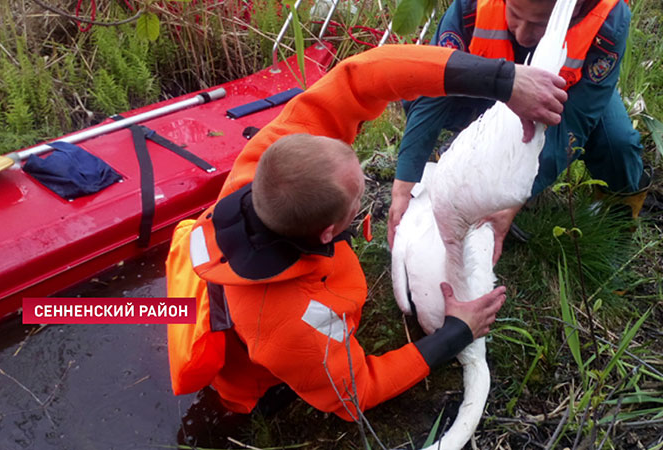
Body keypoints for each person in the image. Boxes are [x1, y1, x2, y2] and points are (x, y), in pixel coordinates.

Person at [165, 44, 564, 421]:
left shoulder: (274, 159)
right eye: (358, 200)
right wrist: (456, 334)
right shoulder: (288, 323)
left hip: (260, 286)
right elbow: (358, 391)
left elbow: (363, 75)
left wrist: (503, 80)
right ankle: (259, 400)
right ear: (327, 234)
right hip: (263, 376)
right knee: (277, 393)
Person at [388, 0, 647, 262]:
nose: (523, 34)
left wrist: (515, 196)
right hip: (486, 86)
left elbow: (574, 121)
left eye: (539, 25)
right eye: (514, 15)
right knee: (418, 95)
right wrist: (405, 180)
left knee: (618, 144)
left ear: (575, 9)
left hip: (568, 92)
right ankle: (460, 154)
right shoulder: (471, 6)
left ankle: (617, 219)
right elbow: (434, 81)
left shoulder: (607, 19)